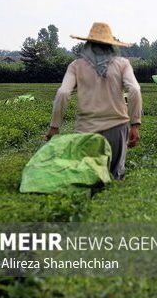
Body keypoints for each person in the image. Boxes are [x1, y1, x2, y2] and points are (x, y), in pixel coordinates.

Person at [45, 22, 142, 180]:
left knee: (87, 176)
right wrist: (135, 124)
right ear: (111, 46)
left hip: (86, 130)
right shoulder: (122, 64)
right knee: (115, 175)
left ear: (88, 44)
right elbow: (135, 90)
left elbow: (63, 93)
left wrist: (54, 127)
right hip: (116, 128)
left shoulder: (76, 66)